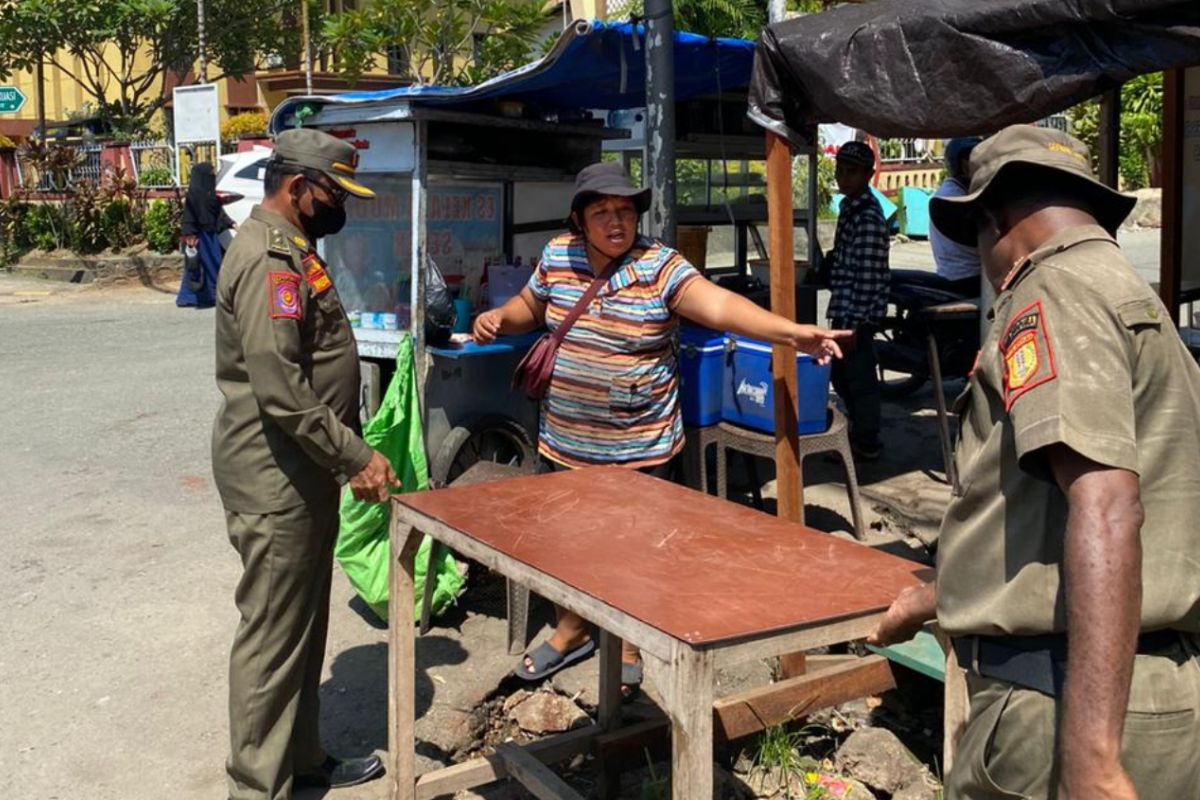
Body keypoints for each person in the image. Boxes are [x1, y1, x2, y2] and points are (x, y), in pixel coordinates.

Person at [870, 125, 1200, 799]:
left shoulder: (1053, 295)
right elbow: (1041, 513)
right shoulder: (1129, 295)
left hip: (1061, 704)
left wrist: (1092, 759)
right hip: (1155, 691)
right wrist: (936, 596)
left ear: (995, 217)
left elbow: (1106, 506)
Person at [473, 161, 850, 696]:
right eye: (602, 212)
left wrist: (789, 333)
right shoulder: (558, 255)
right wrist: (498, 319)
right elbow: (530, 308)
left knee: (633, 547)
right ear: (579, 220)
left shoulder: (659, 265)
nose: (616, 221)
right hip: (566, 438)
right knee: (567, 544)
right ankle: (573, 628)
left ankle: (626, 641)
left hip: (640, 443)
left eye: (624, 210)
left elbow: (719, 306)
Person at [212, 128, 397, 800]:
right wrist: (355, 455)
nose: (341, 206)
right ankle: (256, 788)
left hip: (300, 473)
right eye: (334, 193)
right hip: (275, 477)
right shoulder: (268, 260)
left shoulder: (292, 249)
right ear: (297, 188)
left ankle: (303, 760)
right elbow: (280, 386)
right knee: (271, 638)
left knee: (301, 628)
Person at [824, 141, 889, 460]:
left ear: (868, 174)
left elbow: (866, 276)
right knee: (841, 375)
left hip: (856, 315)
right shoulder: (851, 208)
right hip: (846, 309)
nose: (843, 177)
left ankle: (866, 442)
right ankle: (857, 433)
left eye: (851, 172)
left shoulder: (867, 217)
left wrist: (852, 325)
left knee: (858, 379)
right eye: (840, 170)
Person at [928, 137, 983, 296]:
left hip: (965, 275)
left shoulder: (962, 191)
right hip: (965, 278)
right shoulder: (952, 198)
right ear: (963, 165)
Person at [177, 161, 235, 308]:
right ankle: (193, 298)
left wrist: (231, 223)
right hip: (198, 237)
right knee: (197, 267)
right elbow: (189, 215)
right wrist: (189, 234)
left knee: (213, 265)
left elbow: (218, 213)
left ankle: (209, 296)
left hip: (211, 237)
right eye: (210, 173)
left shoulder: (210, 194)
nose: (212, 176)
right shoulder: (194, 193)